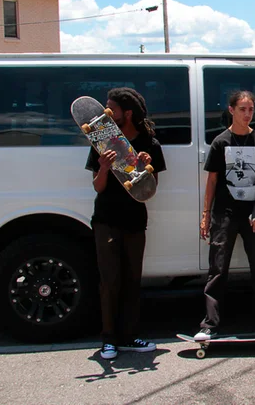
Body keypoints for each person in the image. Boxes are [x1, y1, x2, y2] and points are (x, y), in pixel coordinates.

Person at [85, 88, 167, 360]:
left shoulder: (149, 143)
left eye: (111, 109)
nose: (105, 113)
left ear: (126, 113)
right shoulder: (101, 138)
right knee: (109, 282)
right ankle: (108, 340)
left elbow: (150, 190)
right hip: (106, 221)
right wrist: (104, 167)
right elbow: (98, 187)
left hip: (134, 221)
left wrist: (144, 167)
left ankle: (130, 336)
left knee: (132, 281)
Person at [194, 90, 255, 341]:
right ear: (231, 110)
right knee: (217, 269)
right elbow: (211, 181)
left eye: (251, 109)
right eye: (242, 109)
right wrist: (205, 215)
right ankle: (209, 325)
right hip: (225, 213)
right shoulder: (221, 142)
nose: (247, 114)